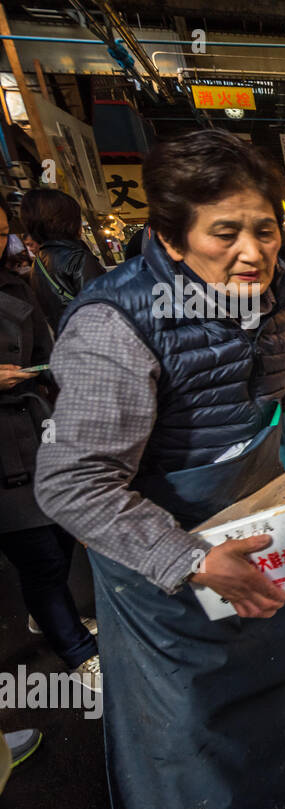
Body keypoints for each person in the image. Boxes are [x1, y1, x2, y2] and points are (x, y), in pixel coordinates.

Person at [35, 129, 285, 809]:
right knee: (195, 743)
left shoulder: (277, 301)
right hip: (168, 579)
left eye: (265, 229)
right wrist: (192, 559)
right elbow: (73, 481)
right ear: (171, 238)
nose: (253, 253)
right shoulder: (115, 328)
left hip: (269, 541)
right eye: (224, 232)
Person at [0, 200, 100, 689]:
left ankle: (48, 611)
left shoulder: (19, 284)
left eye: (1, 232)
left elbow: (46, 354)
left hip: (37, 428)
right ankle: (77, 648)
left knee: (59, 536)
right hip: (1, 452)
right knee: (37, 550)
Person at [20, 189, 105, 335]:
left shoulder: (38, 262)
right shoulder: (77, 258)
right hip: (96, 342)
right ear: (69, 221)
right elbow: (103, 310)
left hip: (69, 341)